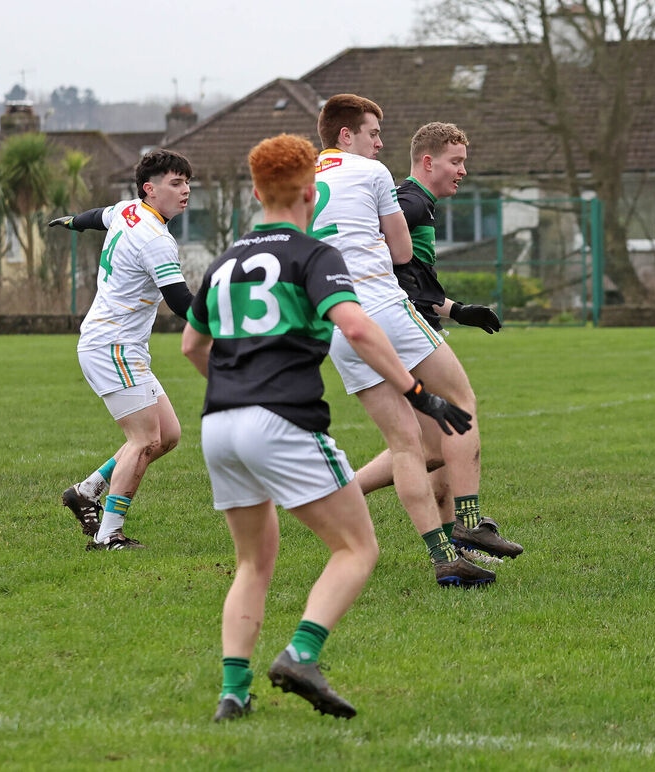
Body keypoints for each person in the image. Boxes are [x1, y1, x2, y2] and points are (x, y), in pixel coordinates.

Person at [180, 133, 470, 722]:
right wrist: (417, 392)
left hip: (219, 425)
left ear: (257, 192)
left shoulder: (225, 260)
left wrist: (233, 387)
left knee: (253, 563)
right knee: (356, 548)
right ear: (311, 192)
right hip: (282, 419)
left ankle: (233, 693)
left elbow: (192, 344)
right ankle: (301, 654)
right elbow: (359, 330)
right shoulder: (314, 255)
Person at [312, 96, 519, 589]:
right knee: (461, 404)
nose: (380, 143)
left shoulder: (301, 177)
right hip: (385, 311)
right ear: (347, 135)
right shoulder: (375, 174)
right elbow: (401, 251)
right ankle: (470, 521)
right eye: (373, 133)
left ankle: (445, 557)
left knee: (410, 445)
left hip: (337, 324)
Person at [362, 121, 521, 563]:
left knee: (437, 448)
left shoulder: (416, 203)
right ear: (428, 162)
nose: (463, 171)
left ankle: (455, 548)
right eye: (456, 162)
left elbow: (409, 279)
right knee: (456, 414)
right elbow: (379, 261)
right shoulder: (408, 201)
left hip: (394, 323)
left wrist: (457, 310)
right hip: (394, 326)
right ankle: (469, 526)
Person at [50, 150, 196, 550]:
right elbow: (182, 303)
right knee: (144, 439)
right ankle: (109, 535)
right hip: (112, 347)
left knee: (167, 436)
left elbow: (98, 215)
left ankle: (85, 491)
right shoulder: (154, 238)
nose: (185, 191)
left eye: (187, 182)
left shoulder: (130, 210)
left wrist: (71, 222)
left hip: (118, 346)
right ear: (150, 189)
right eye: (176, 183)